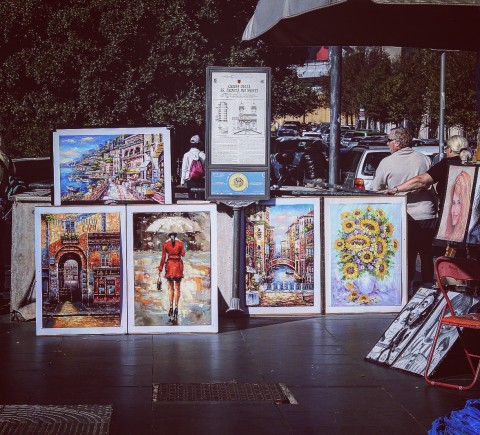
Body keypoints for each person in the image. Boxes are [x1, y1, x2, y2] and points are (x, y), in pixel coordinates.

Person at [371, 127, 437, 295]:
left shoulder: (387, 162)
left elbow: (375, 189)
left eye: (389, 140)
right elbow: (433, 185)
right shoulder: (424, 159)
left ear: (397, 143)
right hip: (426, 213)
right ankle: (428, 289)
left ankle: (407, 290)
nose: (387, 144)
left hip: (401, 215)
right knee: (426, 253)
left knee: (407, 253)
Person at [158, 232, 186, 321]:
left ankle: (171, 307)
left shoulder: (165, 244)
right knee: (177, 287)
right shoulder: (180, 243)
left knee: (171, 288)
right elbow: (183, 254)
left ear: (169, 236)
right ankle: (176, 307)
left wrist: (160, 268)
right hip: (178, 266)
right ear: (175, 236)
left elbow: (163, 257)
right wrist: (181, 248)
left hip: (170, 266)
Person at [443, 170, 472, 242]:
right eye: (453, 202)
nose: (453, 210)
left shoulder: (471, 236)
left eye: (459, 202)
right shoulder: (450, 234)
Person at [181, 135, 206, 199]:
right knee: (200, 196)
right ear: (199, 144)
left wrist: (182, 181)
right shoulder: (203, 155)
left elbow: (184, 168)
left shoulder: (186, 155)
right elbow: (205, 168)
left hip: (190, 178)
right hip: (201, 178)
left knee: (191, 197)